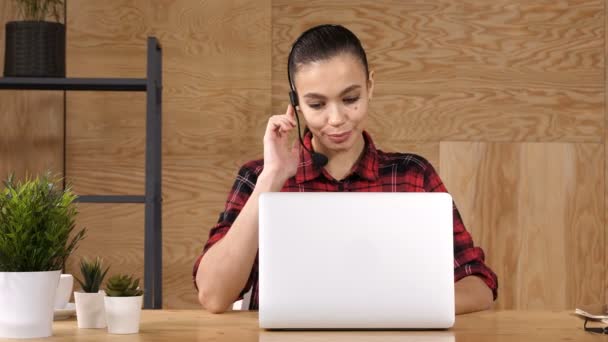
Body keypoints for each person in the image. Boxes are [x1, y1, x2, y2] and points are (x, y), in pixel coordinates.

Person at [193, 24, 498, 314]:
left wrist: (403, 307)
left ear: (370, 87)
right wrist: (271, 178)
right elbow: (214, 295)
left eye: (350, 99)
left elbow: (479, 284)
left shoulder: (412, 175)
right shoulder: (259, 176)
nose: (336, 118)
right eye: (316, 104)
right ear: (295, 103)